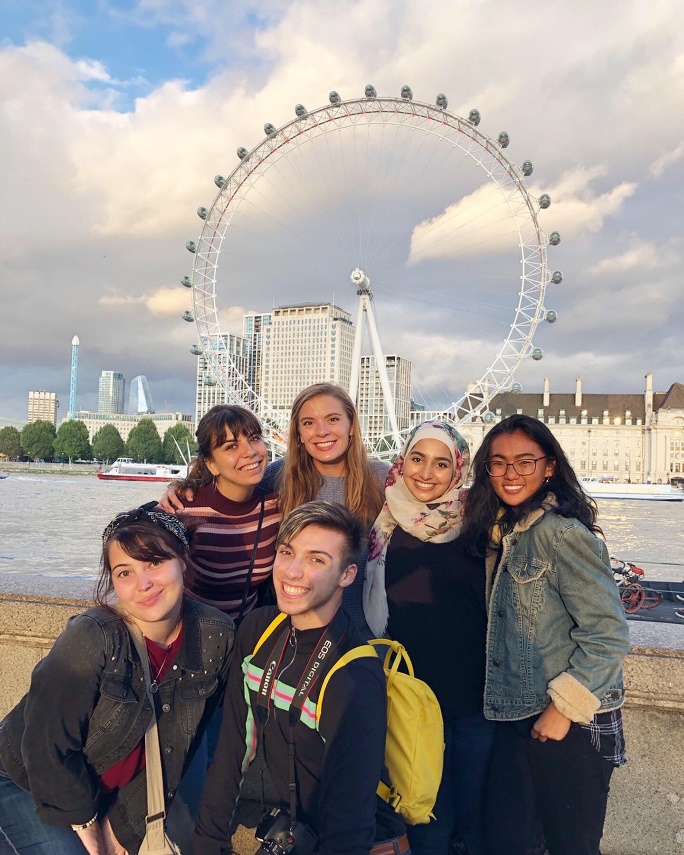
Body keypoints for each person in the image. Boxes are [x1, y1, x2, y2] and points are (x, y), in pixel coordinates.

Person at [0, 505, 234, 855]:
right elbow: (45, 747)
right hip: (25, 781)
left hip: (117, 795)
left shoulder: (215, 636)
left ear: (183, 561)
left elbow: (179, 750)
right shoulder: (93, 636)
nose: (144, 584)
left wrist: (122, 828)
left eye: (155, 562)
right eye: (125, 573)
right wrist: (88, 826)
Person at [193, 501, 408, 855]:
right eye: (286, 552)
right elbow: (233, 748)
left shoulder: (354, 674)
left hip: (367, 843)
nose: (291, 572)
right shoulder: (259, 630)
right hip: (303, 832)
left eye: (316, 559)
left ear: (347, 575)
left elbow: (349, 821)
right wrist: (208, 843)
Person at [459, 414, 630, 855]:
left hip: (569, 723)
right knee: (507, 841)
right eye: (498, 463)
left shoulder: (562, 534)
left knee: (569, 845)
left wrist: (564, 708)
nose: (510, 474)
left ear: (549, 466)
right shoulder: (503, 533)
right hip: (515, 717)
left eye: (524, 461)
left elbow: (608, 632)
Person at [364, 421, 494, 855]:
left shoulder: (483, 523)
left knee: (478, 819)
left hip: (476, 703)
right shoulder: (384, 524)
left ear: (458, 468)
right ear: (402, 462)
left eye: (442, 463)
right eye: (417, 459)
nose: (426, 473)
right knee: (426, 819)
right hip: (413, 705)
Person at [162, 385, 387, 633]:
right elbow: (233, 483)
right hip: (289, 632)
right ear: (298, 433)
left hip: (362, 630)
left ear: (351, 425)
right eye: (309, 423)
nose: (322, 432)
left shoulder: (381, 479)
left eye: (333, 419)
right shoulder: (279, 476)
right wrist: (182, 487)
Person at [171, 404, 281, 621]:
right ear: (211, 464)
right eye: (231, 447)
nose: (249, 452)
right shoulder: (182, 510)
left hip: (247, 637)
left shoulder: (275, 508)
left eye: (254, 438)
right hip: (194, 633)